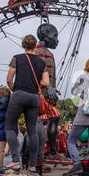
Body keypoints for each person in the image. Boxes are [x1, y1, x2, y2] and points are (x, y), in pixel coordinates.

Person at [5, 35, 49, 172]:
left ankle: (15, 160)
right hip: (34, 97)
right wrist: (35, 83)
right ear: (35, 46)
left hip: (19, 94)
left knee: (10, 127)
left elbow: (9, 79)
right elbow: (45, 83)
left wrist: (15, 90)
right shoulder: (42, 63)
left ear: (23, 45)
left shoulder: (17, 58)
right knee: (32, 131)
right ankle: (32, 164)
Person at [35, 22, 63, 161]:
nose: (57, 40)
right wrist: (48, 87)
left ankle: (51, 152)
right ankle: (42, 154)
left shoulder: (47, 53)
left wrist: (52, 87)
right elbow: (39, 71)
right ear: (45, 35)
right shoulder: (39, 51)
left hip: (47, 94)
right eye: (54, 36)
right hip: (41, 95)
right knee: (42, 122)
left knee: (54, 118)